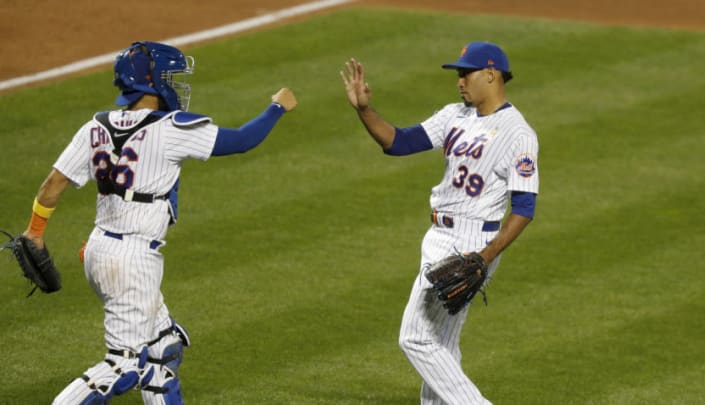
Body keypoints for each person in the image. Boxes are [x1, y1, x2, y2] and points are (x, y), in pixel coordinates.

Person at [21, 41, 296, 405]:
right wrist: (277, 107)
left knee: (163, 350)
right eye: (169, 75)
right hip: (132, 261)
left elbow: (52, 186)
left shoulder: (95, 127)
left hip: (101, 248)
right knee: (124, 366)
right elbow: (243, 140)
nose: (176, 82)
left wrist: (35, 233)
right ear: (151, 82)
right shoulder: (171, 128)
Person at [341, 41, 539, 405]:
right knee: (441, 345)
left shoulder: (518, 132)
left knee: (415, 338)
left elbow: (524, 207)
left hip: (472, 242)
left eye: (466, 73)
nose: (459, 81)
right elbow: (399, 142)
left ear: (491, 74)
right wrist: (365, 110)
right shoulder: (454, 116)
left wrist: (484, 256)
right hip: (437, 236)